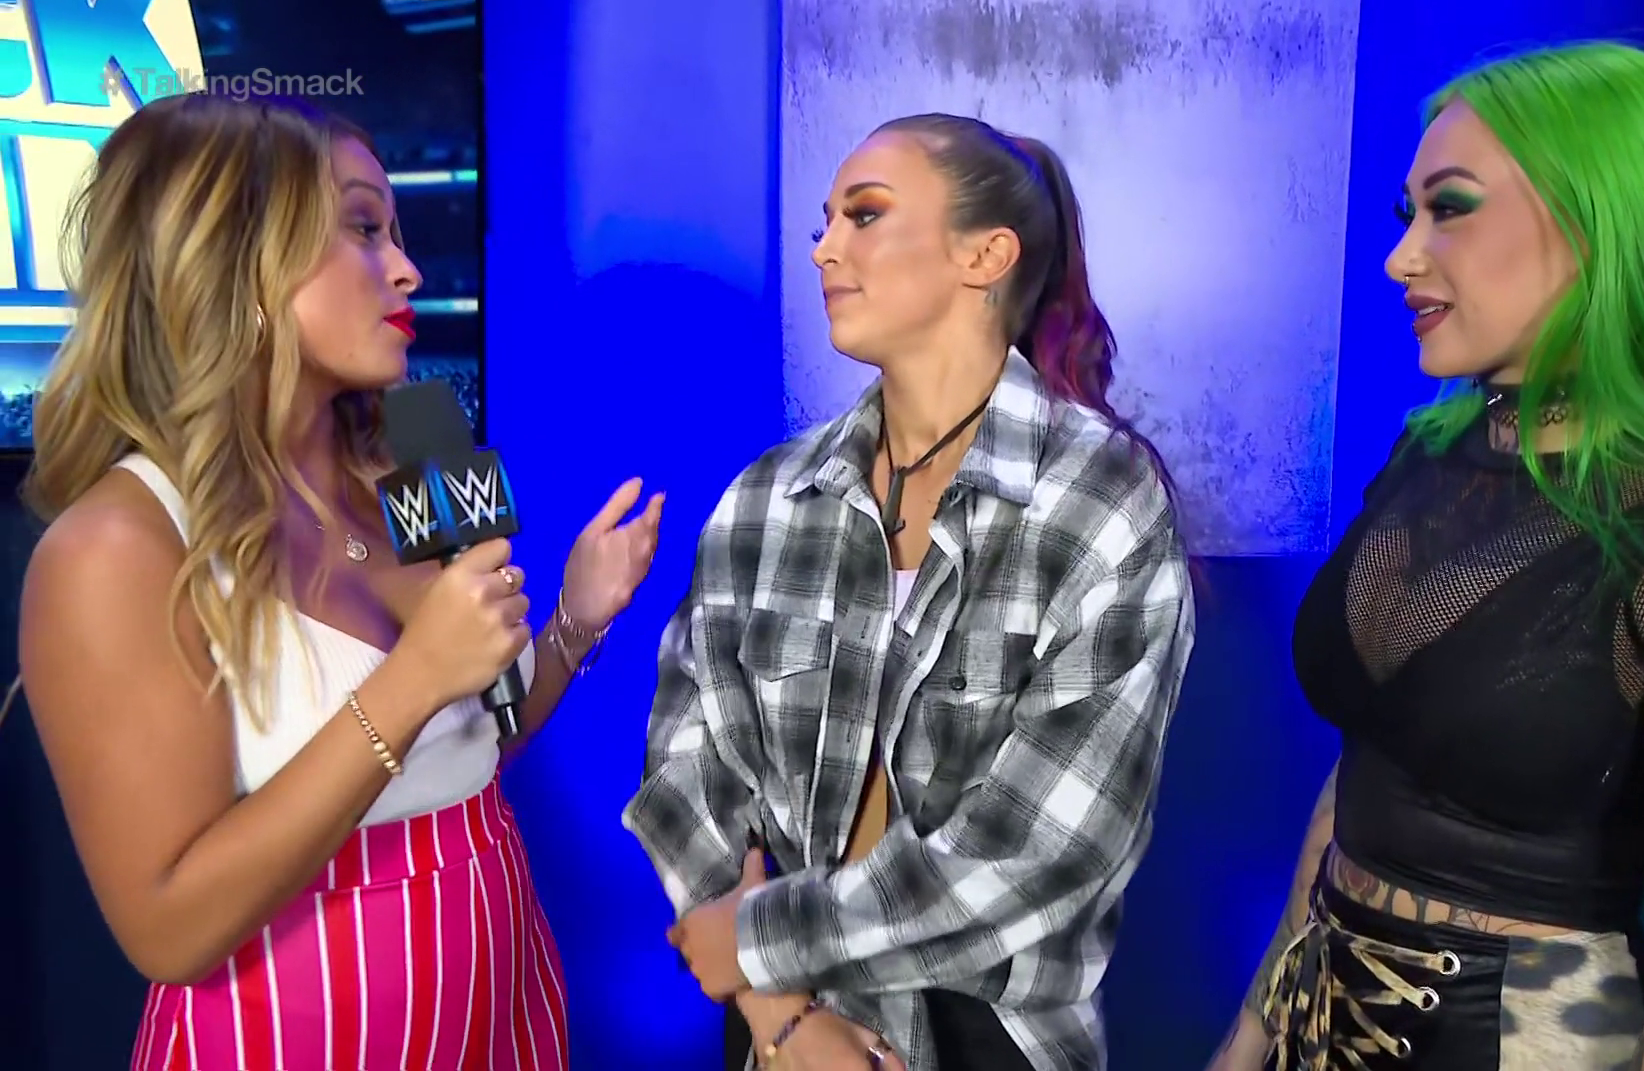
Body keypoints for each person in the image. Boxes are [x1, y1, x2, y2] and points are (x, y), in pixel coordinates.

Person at [1206, 41, 1644, 1070]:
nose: (1401, 258)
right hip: (1316, 1021)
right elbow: (1365, 774)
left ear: (1602, 227)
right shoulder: (1430, 454)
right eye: (1407, 215)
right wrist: (1253, 1030)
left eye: (1450, 209)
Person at [17, 93, 664, 1070]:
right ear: (238, 260)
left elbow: (484, 742)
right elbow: (169, 930)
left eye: (398, 233)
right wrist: (411, 679)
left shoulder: (431, 450)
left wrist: (575, 619)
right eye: (364, 229)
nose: (407, 268)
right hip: (297, 1029)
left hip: (504, 990)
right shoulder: (114, 545)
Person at [623, 113, 1195, 1071]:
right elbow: (688, 767)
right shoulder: (768, 496)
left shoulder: (1099, 497)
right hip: (776, 1038)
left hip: (993, 1042)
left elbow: (1042, 851)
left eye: (864, 215)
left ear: (985, 255)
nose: (823, 249)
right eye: (823, 222)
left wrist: (760, 945)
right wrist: (780, 1015)